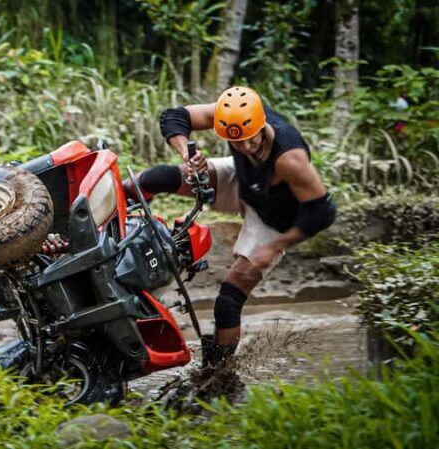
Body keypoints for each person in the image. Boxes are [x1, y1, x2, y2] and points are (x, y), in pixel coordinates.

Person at [125, 86, 337, 368]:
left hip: (274, 219)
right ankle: (100, 230)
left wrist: (275, 246)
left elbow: (322, 212)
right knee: (156, 177)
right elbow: (174, 117)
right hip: (243, 181)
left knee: (227, 301)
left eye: (251, 141)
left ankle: (217, 375)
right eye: (236, 142)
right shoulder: (232, 116)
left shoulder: (290, 159)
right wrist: (187, 155)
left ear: (262, 125)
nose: (245, 147)